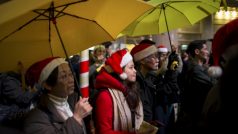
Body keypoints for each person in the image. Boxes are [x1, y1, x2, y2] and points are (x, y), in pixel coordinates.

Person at [24, 57, 92, 134]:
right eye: (64, 76)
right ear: (47, 85)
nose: (71, 80)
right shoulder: (35, 119)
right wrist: (76, 118)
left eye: (70, 74)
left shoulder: (74, 102)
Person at [130, 39, 179, 134]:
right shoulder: (137, 82)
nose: (158, 59)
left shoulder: (148, 78)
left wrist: (172, 68)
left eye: (158, 56)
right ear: (142, 61)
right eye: (154, 57)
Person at [93, 49, 144, 134]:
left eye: (134, 67)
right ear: (120, 71)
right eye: (131, 67)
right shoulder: (105, 96)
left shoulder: (129, 90)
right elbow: (104, 131)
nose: (135, 71)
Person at [177, 40, 214, 134]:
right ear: (197, 52)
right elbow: (211, 84)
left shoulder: (201, 68)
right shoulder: (194, 70)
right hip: (195, 116)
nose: (207, 52)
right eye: (205, 49)